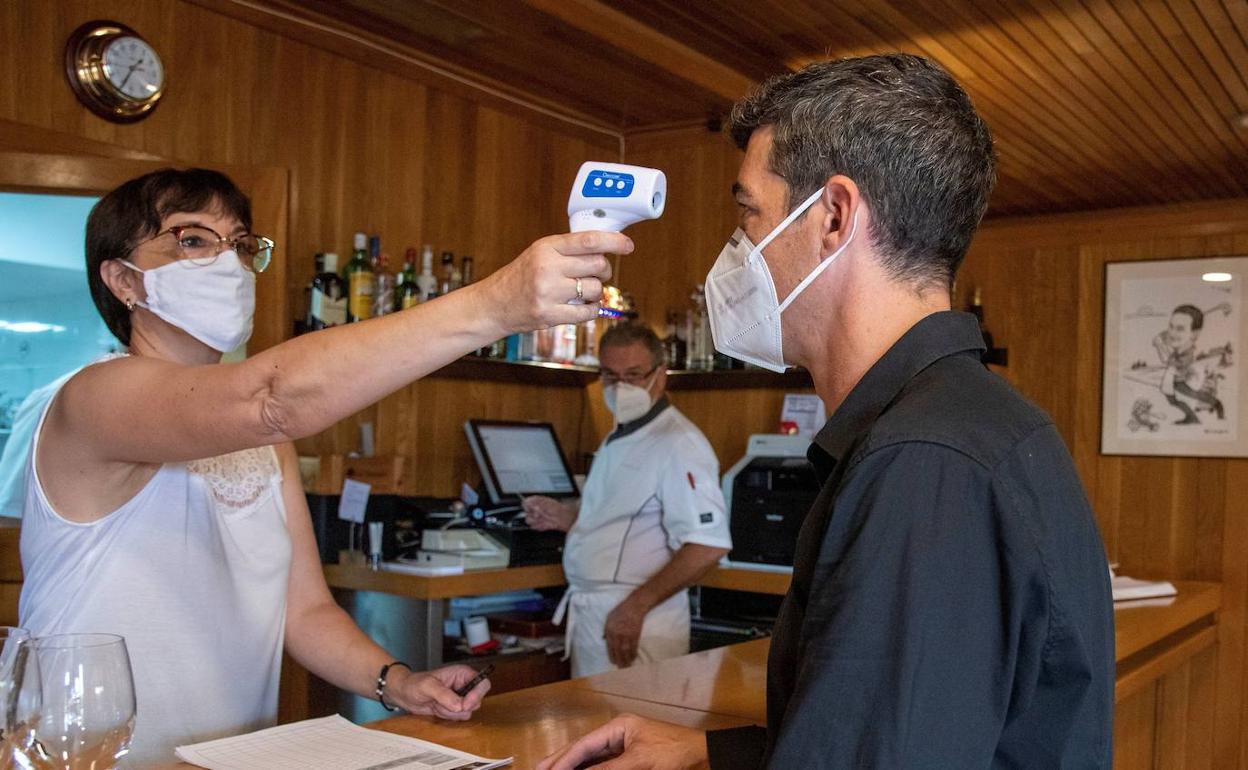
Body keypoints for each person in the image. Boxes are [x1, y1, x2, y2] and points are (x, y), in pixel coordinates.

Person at [539, 53, 1114, 770]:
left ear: (834, 216)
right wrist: (713, 755)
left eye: (748, 214)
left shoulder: (923, 466)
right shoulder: (978, 422)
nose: (738, 249)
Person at [15, 167, 626, 765]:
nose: (227, 264)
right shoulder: (95, 398)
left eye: (240, 245)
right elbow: (270, 399)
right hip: (85, 757)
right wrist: (497, 303)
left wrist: (398, 682)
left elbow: (305, 610)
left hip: (225, 758)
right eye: (193, 240)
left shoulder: (261, 440)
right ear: (123, 280)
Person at [522, 324, 731, 677]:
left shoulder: (679, 444)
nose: (621, 386)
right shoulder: (616, 437)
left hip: (640, 621)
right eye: (610, 375)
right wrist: (568, 517)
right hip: (597, 616)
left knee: (630, 714)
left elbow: (707, 546)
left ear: (660, 376)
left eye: (633, 375)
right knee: (591, 714)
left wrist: (635, 607)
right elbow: (626, 520)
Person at [1153, 304, 1225, 423]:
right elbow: (1168, 353)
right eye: (1171, 326)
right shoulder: (1180, 347)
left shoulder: (1187, 353)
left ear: (1194, 334)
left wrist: (1160, 346)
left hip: (1181, 382)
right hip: (1174, 381)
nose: (1172, 332)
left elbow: (1167, 361)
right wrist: (1161, 343)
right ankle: (1193, 417)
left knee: (1193, 396)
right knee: (1174, 400)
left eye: (1180, 329)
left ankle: (1216, 406)